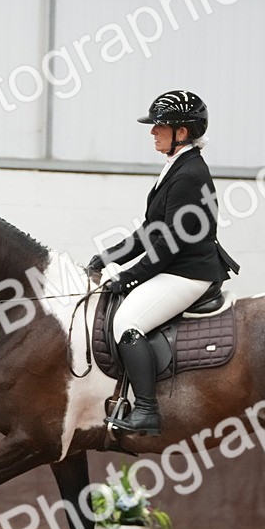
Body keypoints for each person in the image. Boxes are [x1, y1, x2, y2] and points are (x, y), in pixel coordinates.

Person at [87, 90, 239, 436]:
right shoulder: (178, 168)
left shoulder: (188, 175)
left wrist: (126, 278)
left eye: (160, 126)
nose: (153, 132)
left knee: (127, 323)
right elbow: (151, 230)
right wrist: (109, 256)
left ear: (181, 133)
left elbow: (168, 244)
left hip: (188, 273)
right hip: (177, 267)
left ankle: (146, 410)